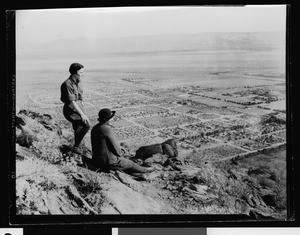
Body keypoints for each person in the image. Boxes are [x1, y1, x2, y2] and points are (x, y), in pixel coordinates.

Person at [90, 108, 158, 173]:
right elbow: (116, 148)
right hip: (108, 163)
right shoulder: (107, 129)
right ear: (108, 119)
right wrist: (121, 154)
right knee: (131, 164)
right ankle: (146, 170)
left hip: (96, 160)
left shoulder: (95, 128)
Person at [60, 63, 90, 154]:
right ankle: (76, 147)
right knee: (87, 125)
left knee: (78, 128)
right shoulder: (67, 84)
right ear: (74, 73)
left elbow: (80, 96)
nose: (83, 74)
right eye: (81, 72)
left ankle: (77, 147)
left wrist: (82, 104)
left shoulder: (78, 81)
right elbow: (72, 102)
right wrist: (82, 114)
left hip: (78, 107)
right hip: (71, 110)